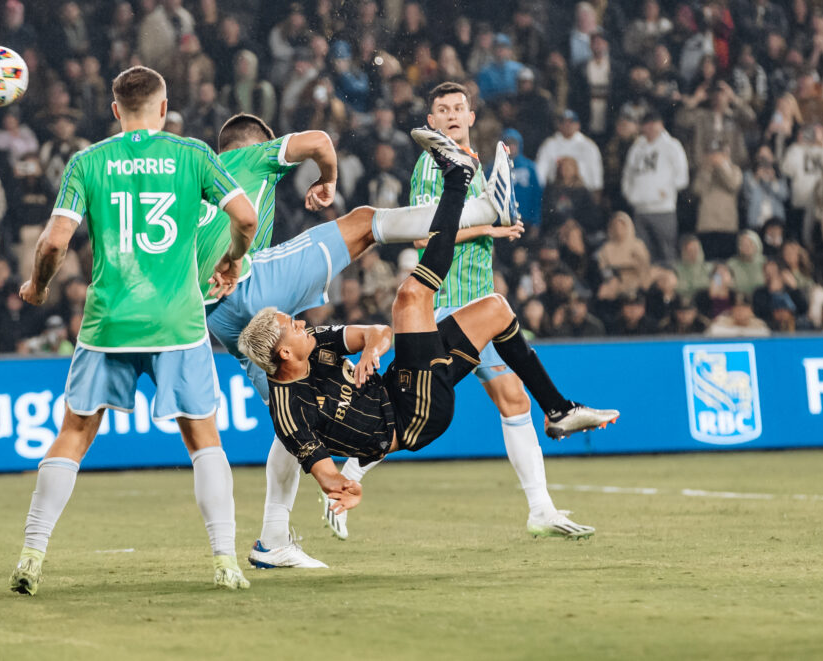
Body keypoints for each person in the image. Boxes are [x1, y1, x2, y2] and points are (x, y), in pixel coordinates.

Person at [237, 129, 617, 523]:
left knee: (497, 309)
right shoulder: (289, 412)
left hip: (402, 385)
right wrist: (345, 489)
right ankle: (459, 181)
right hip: (412, 418)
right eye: (292, 327)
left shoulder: (312, 342)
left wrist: (371, 348)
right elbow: (326, 475)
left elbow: (376, 333)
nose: (302, 324)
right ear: (283, 353)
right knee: (411, 297)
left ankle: (558, 409)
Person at [197, 112, 521, 567]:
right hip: (248, 283)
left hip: (223, 321)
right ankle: (484, 209)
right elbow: (318, 140)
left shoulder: (191, 190)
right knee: (365, 223)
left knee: (291, 408)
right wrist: (326, 180)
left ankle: (272, 539)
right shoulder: (250, 158)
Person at [8, 66, 258, 596]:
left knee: (74, 435)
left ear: (116, 111)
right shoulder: (194, 155)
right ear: (164, 108)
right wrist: (233, 260)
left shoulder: (87, 161)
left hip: (108, 323)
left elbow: (53, 243)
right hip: (178, 322)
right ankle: (225, 562)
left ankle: (32, 554)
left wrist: (37, 286)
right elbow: (246, 217)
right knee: (203, 439)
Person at [621, 112, 689, 262]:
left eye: (654, 123)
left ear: (661, 124)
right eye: (647, 123)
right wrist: (629, 194)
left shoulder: (672, 145)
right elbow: (628, 174)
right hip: (640, 209)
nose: (650, 127)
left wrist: (666, 192)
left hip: (663, 209)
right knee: (642, 253)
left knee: (666, 251)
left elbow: (682, 176)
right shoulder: (637, 147)